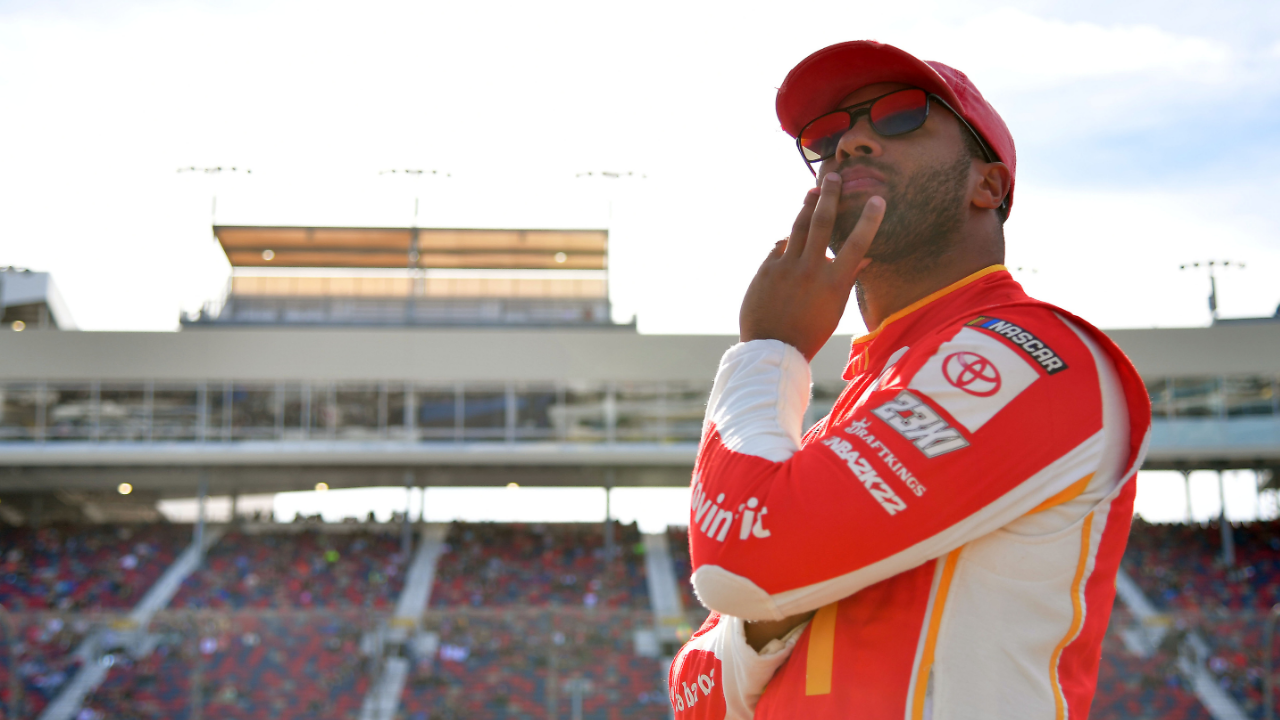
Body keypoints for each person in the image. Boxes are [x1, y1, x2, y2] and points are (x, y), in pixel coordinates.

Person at [668, 41, 1152, 719]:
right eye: (825, 136)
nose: (850, 143)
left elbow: (741, 564)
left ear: (989, 186)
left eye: (900, 115)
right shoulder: (846, 414)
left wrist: (768, 347)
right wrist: (767, 615)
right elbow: (693, 693)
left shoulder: (1036, 350)